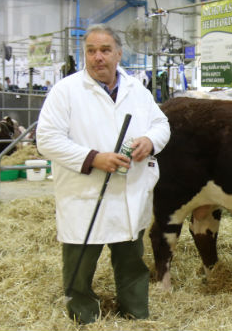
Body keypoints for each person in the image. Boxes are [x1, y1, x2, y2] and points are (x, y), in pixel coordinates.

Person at [36, 24, 171, 324]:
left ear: (119, 54)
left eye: (105, 50)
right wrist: (93, 158)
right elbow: (46, 140)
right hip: (85, 194)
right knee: (80, 264)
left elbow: (161, 124)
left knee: (132, 260)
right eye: (91, 51)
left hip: (129, 191)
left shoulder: (138, 90)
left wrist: (150, 141)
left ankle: (135, 312)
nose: (98, 57)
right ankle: (84, 316)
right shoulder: (66, 91)